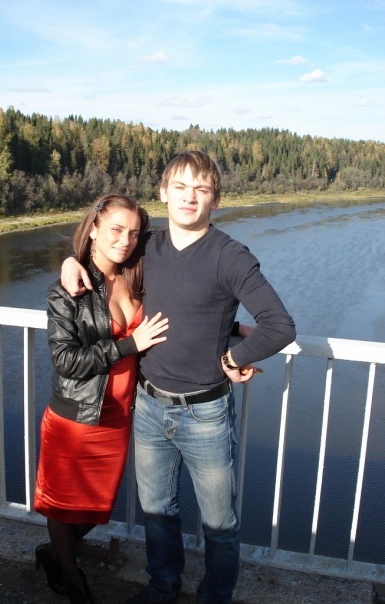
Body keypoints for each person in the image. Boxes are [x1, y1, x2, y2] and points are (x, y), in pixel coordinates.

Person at [60, 151, 296, 604]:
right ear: (164, 193)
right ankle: (163, 586)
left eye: (201, 189)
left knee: (219, 524)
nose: (190, 197)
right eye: (181, 187)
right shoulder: (147, 247)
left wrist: (235, 356)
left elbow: (280, 325)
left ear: (215, 200)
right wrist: (70, 261)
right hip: (149, 406)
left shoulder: (230, 256)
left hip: (205, 413)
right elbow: (103, 255)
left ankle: (214, 597)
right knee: (157, 513)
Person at [34, 194, 169, 604]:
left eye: (134, 233)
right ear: (93, 229)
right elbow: (66, 361)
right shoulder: (68, 290)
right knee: (63, 506)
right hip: (75, 419)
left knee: (97, 506)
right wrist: (129, 345)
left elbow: (187, 297)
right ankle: (73, 578)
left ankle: (53, 554)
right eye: (115, 229)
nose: (125, 240)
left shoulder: (140, 275)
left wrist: (236, 333)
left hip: (118, 418)